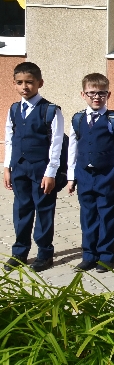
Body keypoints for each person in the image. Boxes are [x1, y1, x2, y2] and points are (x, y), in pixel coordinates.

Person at [3, 62, 65, 273]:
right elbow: (9, 140)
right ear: (14, 84)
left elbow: (56, 144)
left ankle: (45, 253)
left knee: (44, 210)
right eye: (19, 82)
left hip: (41, 170)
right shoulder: (13, 109)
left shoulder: (50, 110)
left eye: (29, 82)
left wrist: (51, 173)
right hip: (19, 168)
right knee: (21, 210)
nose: (24, 87)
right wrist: (7, 167)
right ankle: (20, 252)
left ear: (40, 83)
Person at [66, 73, 114, 273]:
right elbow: (72, 149)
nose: (96, 97)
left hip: (107, 176)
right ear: (83, 94)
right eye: (91, 93)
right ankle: (89, 255)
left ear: (108, 94)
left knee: (107, 216)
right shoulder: (77, 119)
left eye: (101, 93)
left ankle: (106, 256)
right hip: (84, 175)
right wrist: (71, 177)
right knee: (88, 216)